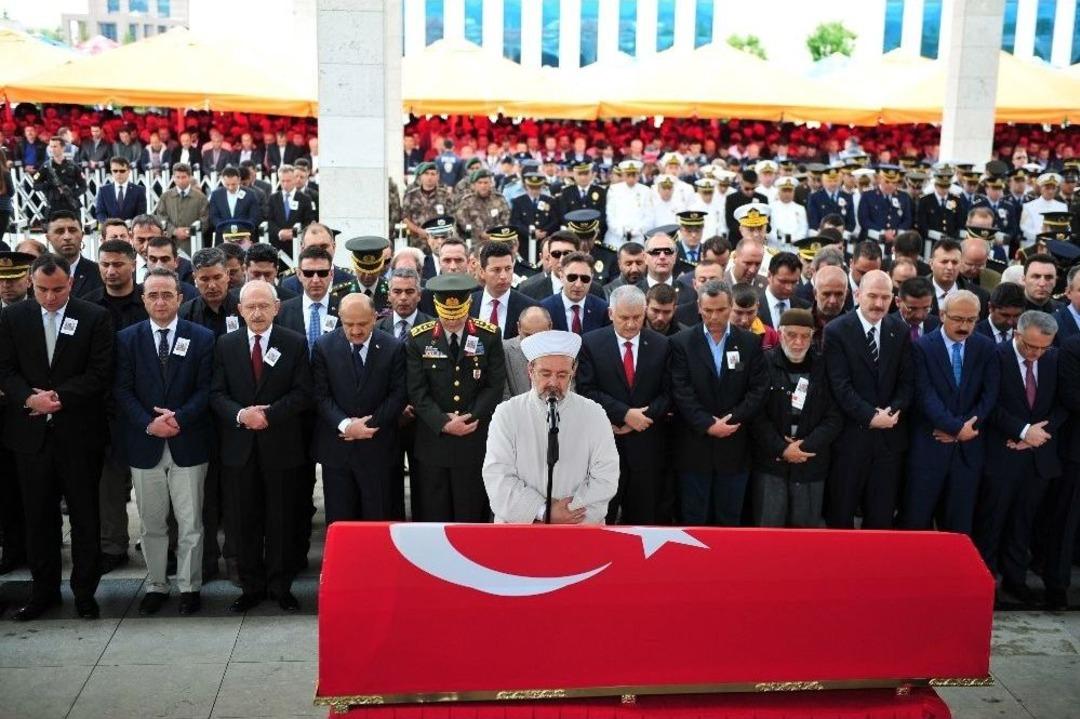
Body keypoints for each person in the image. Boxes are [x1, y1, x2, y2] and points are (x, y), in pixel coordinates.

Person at [0, 254, 113, 621]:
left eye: (58, 290)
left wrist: (58, 399)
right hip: (30, 437)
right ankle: (43, 592)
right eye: (43, 289)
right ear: (31, 284)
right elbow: (5, 369)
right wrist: (30, 398)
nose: (50, 297)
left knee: (84, 518)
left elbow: (100, 373)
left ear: (72, 284)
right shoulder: (13, 317)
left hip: (79, 435)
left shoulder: (94, 317)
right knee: (38, 519)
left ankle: (84, 593)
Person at [113, 268, 214, 616]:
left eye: (167, 295)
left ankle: (189, 586)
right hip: (146, 444)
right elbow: (122, 390)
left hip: (189, 442)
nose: (160, 301)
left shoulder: (201, 338)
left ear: (180, 298)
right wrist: (149, 424)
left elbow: (206, 389)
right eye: (153, 295)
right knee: (152, 523)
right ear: (143, 300)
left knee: (190, 523)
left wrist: (179, 418)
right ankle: (156, 584)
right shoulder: (127, 339)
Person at [210, 280, 312, 613]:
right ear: (239, 309)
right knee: (243, 521)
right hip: (239, 450)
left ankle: (280, 586)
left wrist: (268, 415)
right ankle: (251, 586)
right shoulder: (225, 345)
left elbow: (302, 392)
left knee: (281, 520)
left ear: (276, 308)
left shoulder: (294, 343)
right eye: (250, 306)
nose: (257, 313)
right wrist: (242, 415)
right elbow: (216, 394)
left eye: (263, 306)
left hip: (281, 447)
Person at [975, 311, 1064, 608]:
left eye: (1043, 347)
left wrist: (1038, 435)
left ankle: (1016, 580)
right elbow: (990, 403)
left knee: (1023, 523)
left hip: (1037, 457)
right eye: (1031, 347)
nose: (1036, 353)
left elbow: (1063, 404)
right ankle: (986, 583)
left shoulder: (1053, 358)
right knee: (992, 521)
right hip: (1002, 454)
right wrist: (1022, 430)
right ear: (1017, 334)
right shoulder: (995, 355)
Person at [483, 330, 619, 523]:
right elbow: (498, 476)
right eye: (545, 374)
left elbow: (606, 476)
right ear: (530, 371)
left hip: (576, 530)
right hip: (521, 531)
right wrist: (541, 511)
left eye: (562, 375)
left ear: (574, 371)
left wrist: (566, 513)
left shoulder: (594, 414)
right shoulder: (507, 413)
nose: (553, 383)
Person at [406, 273, 506, 521]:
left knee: (471, 511)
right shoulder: (419, 337)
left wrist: (470, 417)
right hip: (433, 442)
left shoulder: (488, 335)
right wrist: (444, 422)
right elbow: (417, 390)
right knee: (434, 513)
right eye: (446, 316)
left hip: (474, 439)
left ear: (468, 306)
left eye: (458, 315)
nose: (452, 321)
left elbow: (494, 386)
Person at [669, 279, 768, 525]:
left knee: (729, 520)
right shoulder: (681, 342)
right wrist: (707, 424)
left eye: (721, 310)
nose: (714, 316)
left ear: (731, 306)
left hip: (735, 447)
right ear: (699, 309)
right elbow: (681, 390)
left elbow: (758, 390)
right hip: (694, 447)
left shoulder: (750, 343)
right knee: (693, 520)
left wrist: (730, 421)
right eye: (709, 310)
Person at [823, 269, 914, 529]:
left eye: (885, 297)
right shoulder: (837, 330)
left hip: (889, 443)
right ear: (857, 294)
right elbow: (840, 386)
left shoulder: (900, 329)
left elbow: (907, 383)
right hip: (850, 441)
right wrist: (871, 417)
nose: (878, 303)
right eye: (872, 296)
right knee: (841, 515)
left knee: (881, 517)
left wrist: (890, 414)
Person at [902, 291, 999, 534]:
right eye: (958, 319)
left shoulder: (986, 348)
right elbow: (925, 396)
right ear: (942, 315)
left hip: (968, 451)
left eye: (971, 320)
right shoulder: (922, 347)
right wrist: (956, 428)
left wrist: (965, 430)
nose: (964, 326)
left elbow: (989, 395)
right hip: (930, 449)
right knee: (917, 521)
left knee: (958, 526)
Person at [577, 286, 671, 524]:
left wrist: (641, 418)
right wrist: (625, 414)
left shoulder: (661, 344)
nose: (631, 324)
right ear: (611, 314)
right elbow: (587, 390)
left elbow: (669, 393)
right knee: (603, 518)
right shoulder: (591, 343)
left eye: (637, 317)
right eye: (624, 318)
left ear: (645, 312)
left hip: (647, 448)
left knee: (643, 520)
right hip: (605, 447)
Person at [312, 292, 407, 524]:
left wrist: (368, 425)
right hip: (338, 452)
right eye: (349, 324)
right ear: (339, 319)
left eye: (362, 324)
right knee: (342, 523)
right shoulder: (324, 346)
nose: (355, 331)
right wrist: (347, 426)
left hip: (379, 449)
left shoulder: (392, 347)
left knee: (379, 522)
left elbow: (398, 394)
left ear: (374, 317)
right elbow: (320, 395)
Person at [83, 239, 148, 575]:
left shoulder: (150, 301)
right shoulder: (88, 306)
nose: (111, 271)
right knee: (108, 485)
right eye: (105, 264)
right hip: (104, 409)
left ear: (133, 264)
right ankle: (112, 546)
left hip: (147, 407)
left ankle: (156, 545)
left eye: (118, 264)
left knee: (151, 483)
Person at [749, 308, 842, 527]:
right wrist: (782, 448)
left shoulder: (824, 367)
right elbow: (755, 414)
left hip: (810, 461)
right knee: (768, 531)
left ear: (812, 337)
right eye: (791, 335)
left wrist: (804, 447)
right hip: (771, 462)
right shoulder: (763, 363)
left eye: (805, 336)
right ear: (780, 335)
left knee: (805, 534)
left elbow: (834, 416)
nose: (798, 342)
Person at [0, 251, 34, 580]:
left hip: (28, 412)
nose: (7, 286)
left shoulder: (35, 313)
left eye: (13, 278)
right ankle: (11, 548)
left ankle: (31, 549)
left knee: (30, 490)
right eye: (1, 280)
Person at [1048, 332, 1080, 609]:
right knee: (1066, 521)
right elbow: (1071, 396)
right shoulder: (1073, 345)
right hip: (1076, 452)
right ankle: (1057, 585)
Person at [470, 240, 538, 339]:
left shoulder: (530, 308)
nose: (503, 276)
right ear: (481, 272)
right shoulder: (468, 305)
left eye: (508, 269)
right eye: (496, 270)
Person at [540, 251, 610, 334]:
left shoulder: (602, 309)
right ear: (561, 276)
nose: (578, 284)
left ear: (591, 278)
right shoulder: (545, 309)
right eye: (572, 277)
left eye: (585, 279)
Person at [502, 306, 553, 399]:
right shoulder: (505, 350)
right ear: (518, 327)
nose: (533, 341)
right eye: (528, 335)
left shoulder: (561, 352)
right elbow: (503, 394)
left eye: (539, 335)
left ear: (550, 327)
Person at [266, 165, 316, 257]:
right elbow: (269, 220)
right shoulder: (273, 198)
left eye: (288, 181)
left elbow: (309, 221)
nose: (285, 184)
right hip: (277, 245)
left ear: (294, 179)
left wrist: (294, 232)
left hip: (298, 246)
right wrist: (279, 232)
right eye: (282, 181)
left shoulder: (305, 199)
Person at [33, 136, 86, 217]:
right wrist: (49, 185)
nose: (52, 149)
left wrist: (72, 194)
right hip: (53, 205)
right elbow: (36, 186)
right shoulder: (46, 167)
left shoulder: (73, 166)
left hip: (70, 205)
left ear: (63, 148)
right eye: (51, 146)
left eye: (55, 146)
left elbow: (83, 186)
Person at [209, 167, 261, 239]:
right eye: (227, 184)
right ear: (222, 180)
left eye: (233, 184)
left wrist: (240, 230)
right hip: (223, 237)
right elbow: (213, 216)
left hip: (245, 237)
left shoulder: (250, 194)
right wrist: (225, 229)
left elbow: (254, 216)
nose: (230, 187)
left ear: (239, 180)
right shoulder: (216, 195)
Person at [806, 164, 855, 232]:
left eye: (835, 181)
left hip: (842, 235)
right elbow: (813, 221)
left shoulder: (847, 197)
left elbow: (851, 222)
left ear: (840, 181)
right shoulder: (815, 197)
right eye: (829, 181)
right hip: (823, 235)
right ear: (823, 182)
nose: (833, 184)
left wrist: (844, 233)